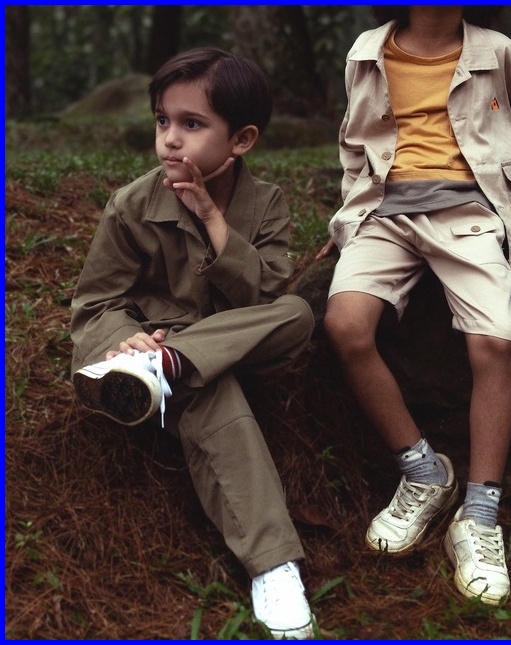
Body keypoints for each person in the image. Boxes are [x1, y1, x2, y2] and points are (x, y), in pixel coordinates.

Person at [317, 6, 511, 605]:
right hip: (384, 214)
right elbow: (355, 145)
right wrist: (349, 217)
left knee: (495, 342)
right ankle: (424, 472)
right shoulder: (366, 51)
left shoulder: (497, 51)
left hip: (469, 214)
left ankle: (479, 512)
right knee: (345, 326)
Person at [70, 47, 316, 639]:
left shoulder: (267, 205)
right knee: (211, 387)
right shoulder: (132, 206)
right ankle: (274, 565)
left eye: (192, 123)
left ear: (242, 140)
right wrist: (127, 340)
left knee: (298, 312)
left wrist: (212, 219)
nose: (171, 139)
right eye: (163, 120)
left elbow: (265, 298)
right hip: (158, 358)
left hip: (235, 345)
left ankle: (170, 364)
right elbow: (94, 304)